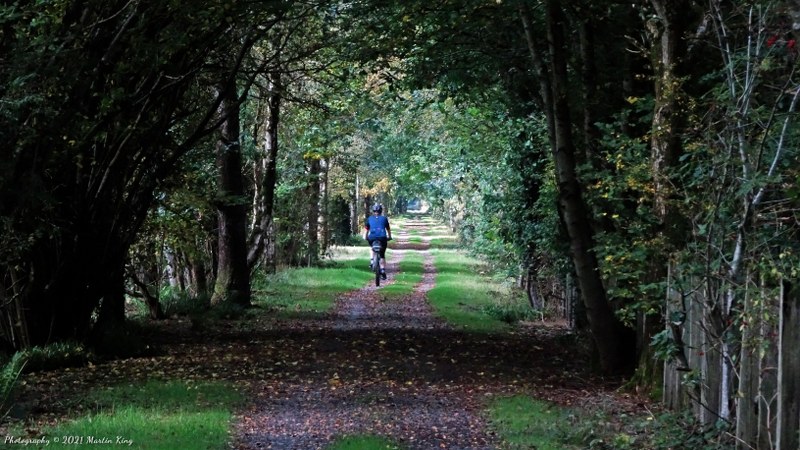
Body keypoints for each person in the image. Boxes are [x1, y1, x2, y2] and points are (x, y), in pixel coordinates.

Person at [364, 203, 392, 279]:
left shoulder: (369, 218)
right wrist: (389, 237)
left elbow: (366, 230)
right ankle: (382, 270)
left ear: (373, 211)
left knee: (371, 247)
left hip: (372, 237)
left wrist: (366, 237)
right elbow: (388, 229)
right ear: (381, 211)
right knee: (382, 254)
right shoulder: (384, 219)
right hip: (382, 237)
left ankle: (372, 260)